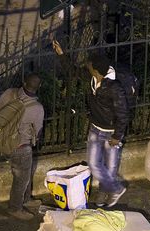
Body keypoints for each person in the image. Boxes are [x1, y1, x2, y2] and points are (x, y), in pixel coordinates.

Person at [52, 40, 129, 207]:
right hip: (95, 128)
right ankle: (115, 188)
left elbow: (122, 114)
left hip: (111, 133)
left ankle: (105, 191)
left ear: (96, 70)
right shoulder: (92, 77)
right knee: (94, 164)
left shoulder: (114, 88)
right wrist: (61, 54)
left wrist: (117, 136)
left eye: (89, 64)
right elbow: (73, 71)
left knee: (110, 167)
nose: (86, 65)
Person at [0, 74, 44, 220]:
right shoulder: (37, 108)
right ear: (38, 87)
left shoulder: (10, 93)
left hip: (5, 142)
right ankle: (15, 208)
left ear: (23, 83)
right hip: (21, 146)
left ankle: (26, 199)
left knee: (24, 175)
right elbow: (38, 130)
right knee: (21, 179)